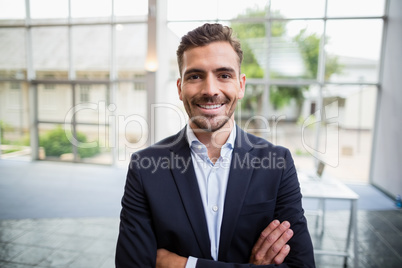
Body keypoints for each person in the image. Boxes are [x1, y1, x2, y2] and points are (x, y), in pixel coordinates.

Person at [116, 23, 315, 268]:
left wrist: (184, 265)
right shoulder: (145, 167)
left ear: (240, 85)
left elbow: (301, 265)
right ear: (180, 88)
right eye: (196, 76)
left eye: (224, 75)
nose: (210, 90)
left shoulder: (277, 163)